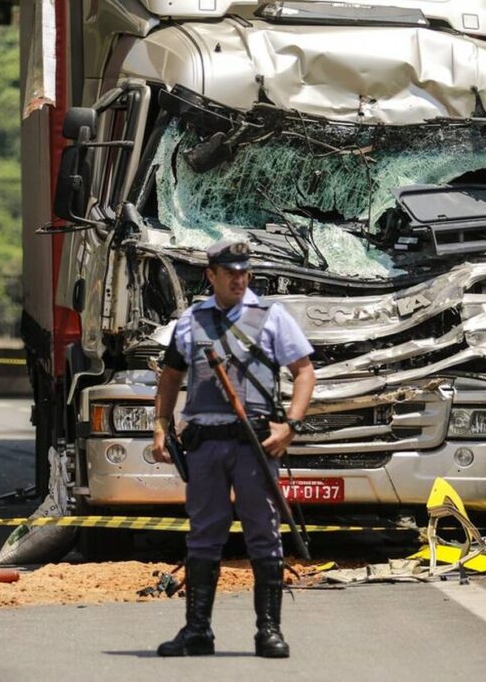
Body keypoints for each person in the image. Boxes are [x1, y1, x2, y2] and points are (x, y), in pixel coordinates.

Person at [151, 238, 316, 659]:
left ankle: (268, 631)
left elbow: (304, 372)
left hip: (255, 445)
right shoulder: (191, 321)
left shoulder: (271, 317)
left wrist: (291, 426)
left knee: (263, 534)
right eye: (230, 273)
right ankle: (197, 631)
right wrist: (160, 425)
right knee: (203, 537)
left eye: (244, 273)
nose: (239, 279)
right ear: (212, 275)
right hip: (205, 446)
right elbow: (170, 377)